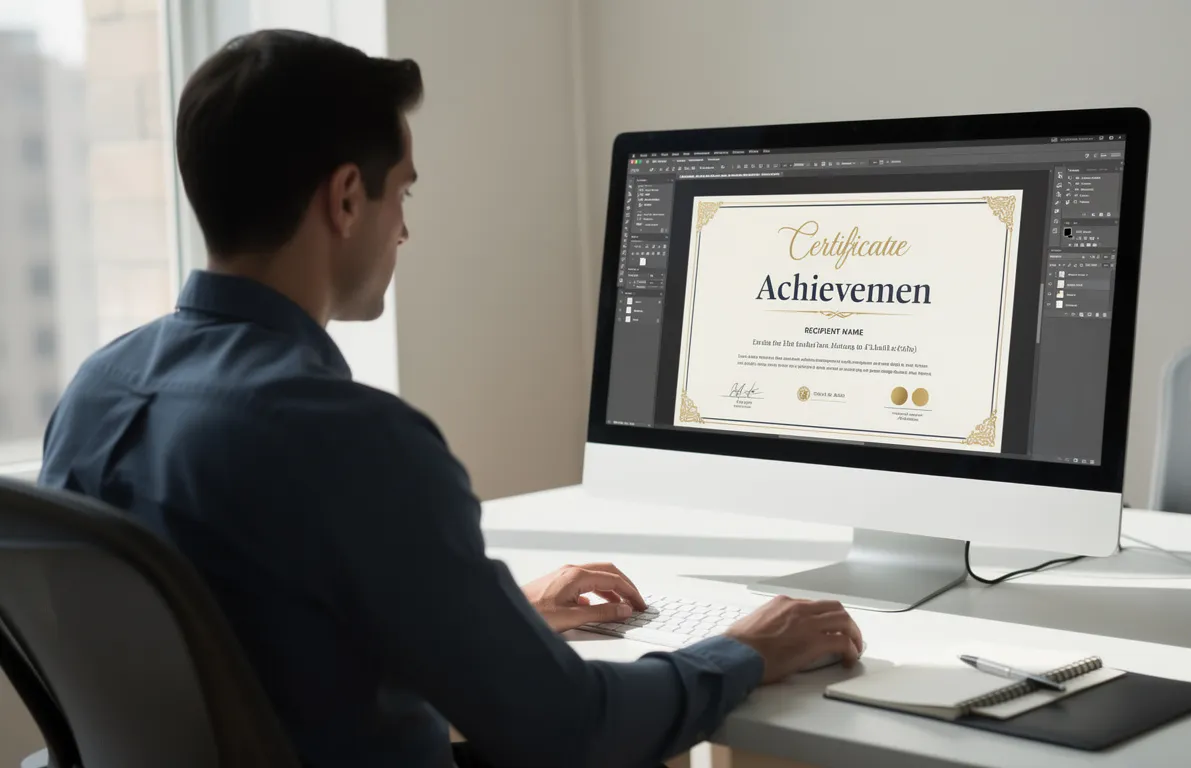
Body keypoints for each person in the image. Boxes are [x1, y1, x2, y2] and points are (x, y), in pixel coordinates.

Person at [37, 29, 863, 768]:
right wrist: (746, 649)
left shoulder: (95, 392)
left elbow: (256, 648)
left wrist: (493, 626)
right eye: (404, 192)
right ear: (347, 197)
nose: (405, 228)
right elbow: (572, 731)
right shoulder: (350, 439)